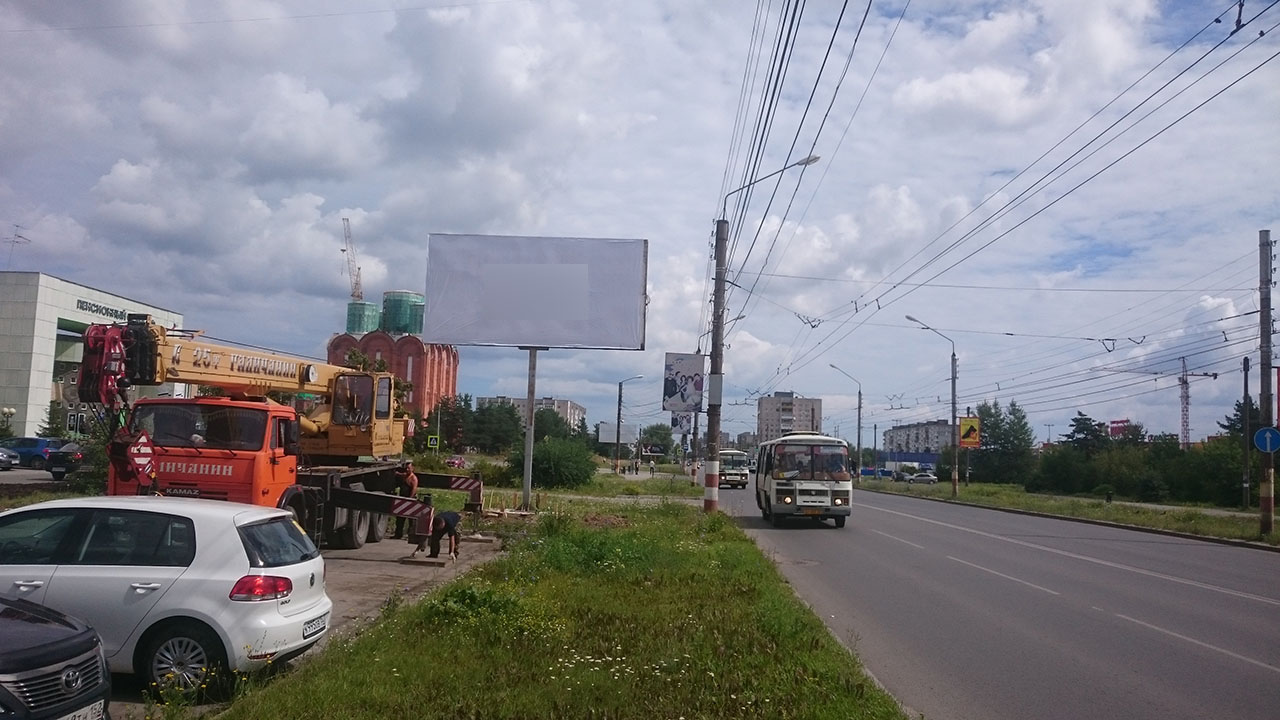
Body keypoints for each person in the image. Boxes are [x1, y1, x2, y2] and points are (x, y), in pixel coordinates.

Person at [391, 461, 419, 540]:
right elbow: (400, 474)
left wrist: (410, 499)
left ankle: (410, 536)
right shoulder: (404, 475)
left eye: (409, 468)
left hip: (410, 500)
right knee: (400, 518)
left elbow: (414, 489)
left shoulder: (413, 478)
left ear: (412, 469)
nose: (407, 470)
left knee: (411, 520)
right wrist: (395, 473)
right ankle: (398, 534)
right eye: (406, 468)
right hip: (402, 499)